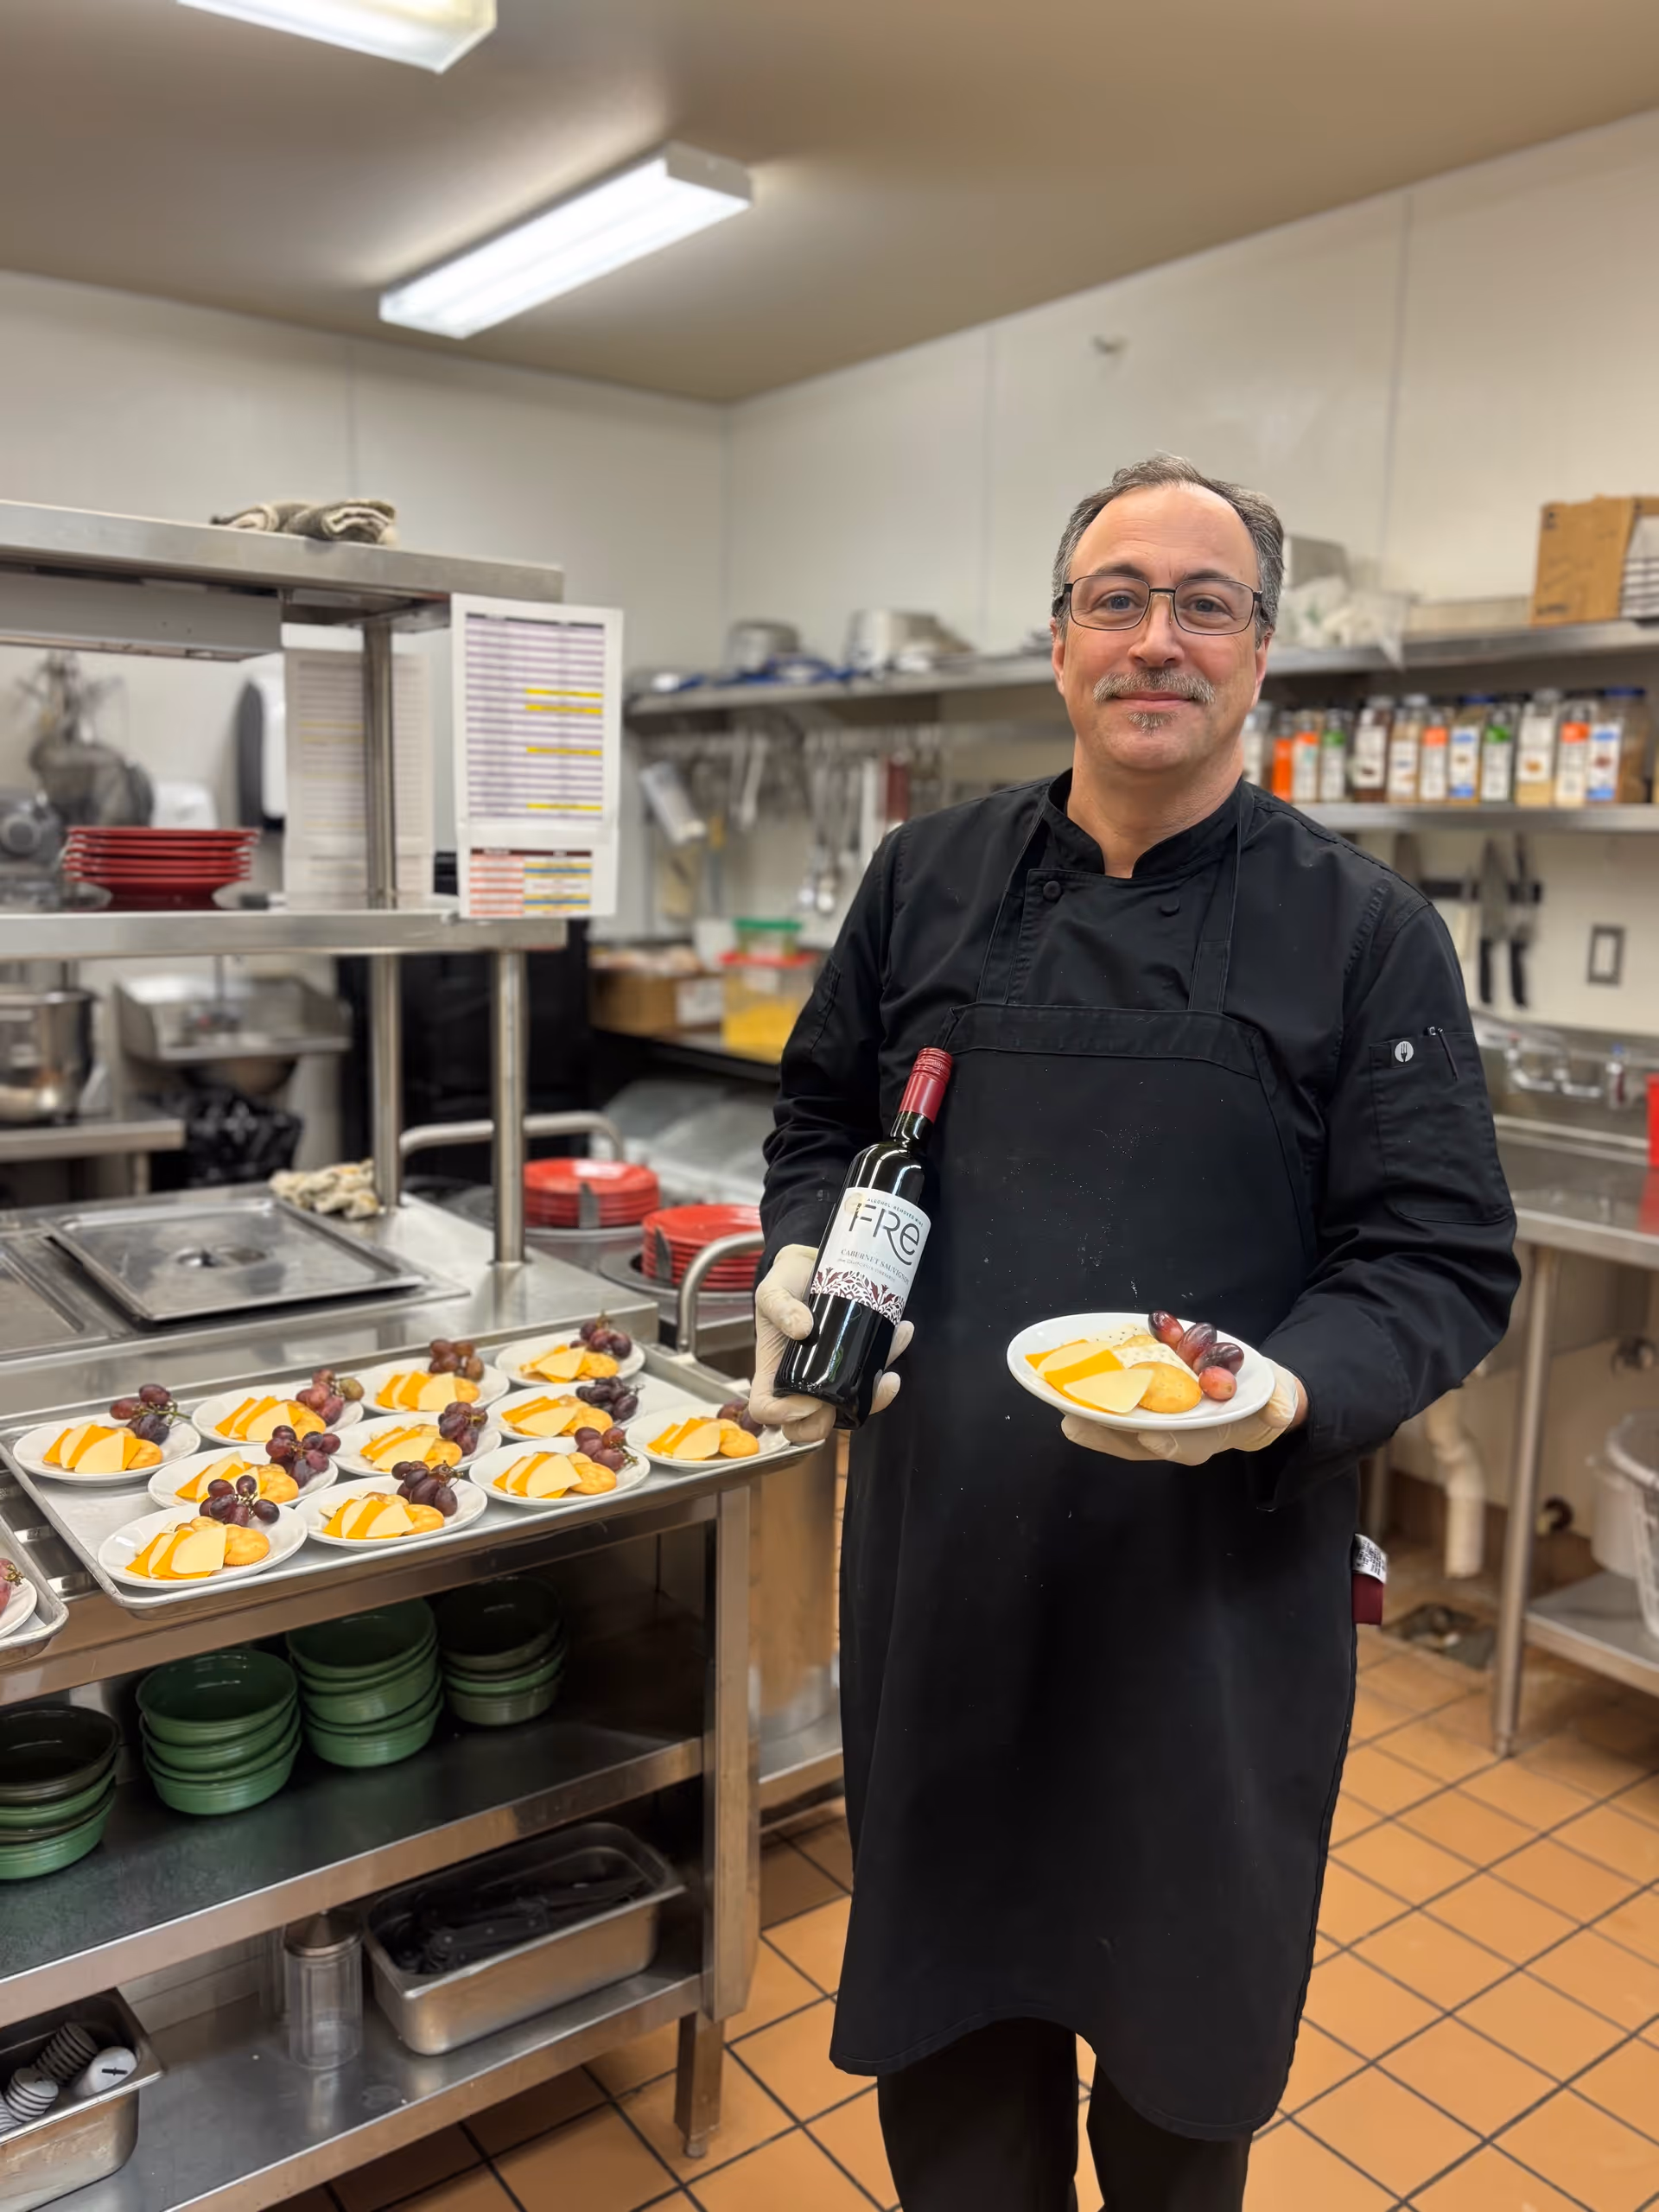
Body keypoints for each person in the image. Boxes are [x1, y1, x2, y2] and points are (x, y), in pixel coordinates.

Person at [749, 454, 1519, 2212]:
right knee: (953, 2054)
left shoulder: (1365, 933)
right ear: (1060, 640)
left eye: (1205, 603)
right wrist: (804, 1249)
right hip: (948, 1570)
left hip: (1213, 1614)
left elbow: (1440, 1253)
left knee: (1182, 2084)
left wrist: (1288, 1381)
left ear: (1261, 655)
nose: (1155, 638)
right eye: (1118, 597)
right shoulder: (927, 880)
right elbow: (818, 1119)